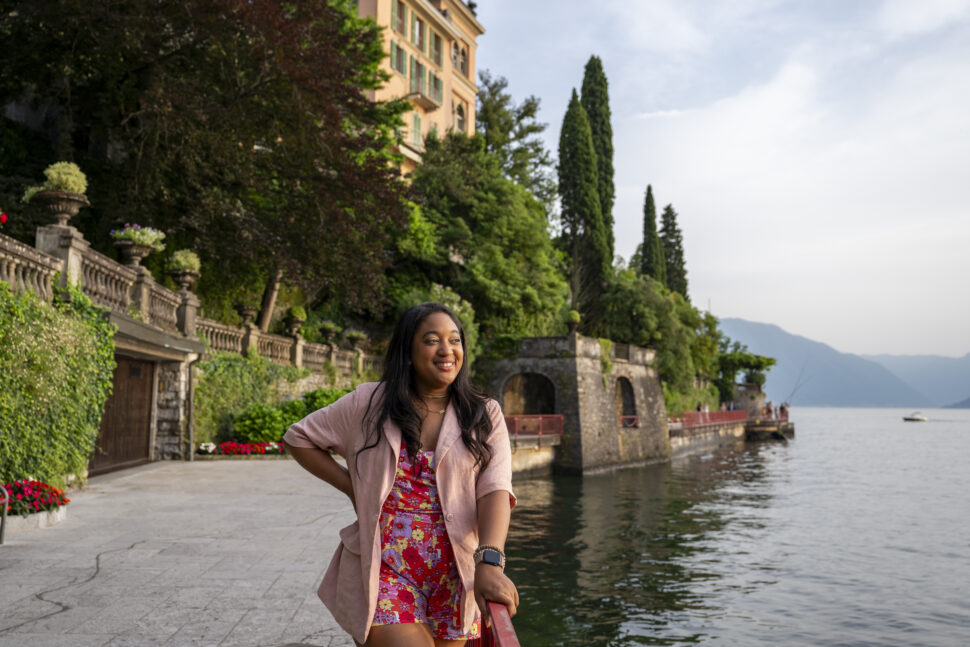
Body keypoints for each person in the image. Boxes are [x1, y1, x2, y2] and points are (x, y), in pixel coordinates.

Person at [282, 302, 518, 646]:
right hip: (387, 572)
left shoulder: (484, 415)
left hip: (456, 576)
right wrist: (352, 488)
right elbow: (299, 438)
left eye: (454, 340)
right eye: (431, 340)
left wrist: (490, 562)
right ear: (408, 351)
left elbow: (495, 490)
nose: (446, 350)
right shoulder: (369, 403)